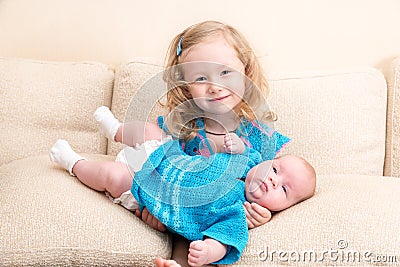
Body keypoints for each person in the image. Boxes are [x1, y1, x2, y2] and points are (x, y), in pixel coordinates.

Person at [50, 108, 316, 266]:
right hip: (165, 155)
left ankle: (73, 162)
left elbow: (226, 241)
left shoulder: (236, 212)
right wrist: (234, 144)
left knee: (111, 175)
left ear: (285, 207)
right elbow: (237, 146)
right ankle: (117, 130)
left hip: (147, 190)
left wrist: (208, 251)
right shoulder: (246, 159)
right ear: (267, 160)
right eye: (276, 170)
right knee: (151, 132)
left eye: (284, 190)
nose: (273, 180)